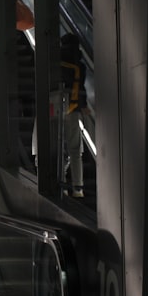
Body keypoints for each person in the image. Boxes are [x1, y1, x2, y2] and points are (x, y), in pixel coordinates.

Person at [60, 32, 89, 198]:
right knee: (75, 150)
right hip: (72, 109)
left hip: (52, 108)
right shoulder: (80, 65)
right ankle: (78, 189)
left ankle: (61, 187)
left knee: (58, 149)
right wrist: (83, 106)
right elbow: (81, 88)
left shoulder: (54, 60)